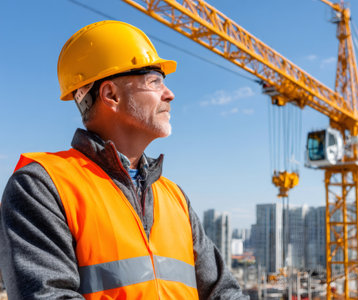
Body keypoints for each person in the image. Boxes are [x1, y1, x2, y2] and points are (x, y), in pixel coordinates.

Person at [0, 20, 248, 299]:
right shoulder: (41, 187)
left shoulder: (174, 197)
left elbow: (223, 292)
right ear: (111, 95)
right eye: (155, 81)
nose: (170, 94)